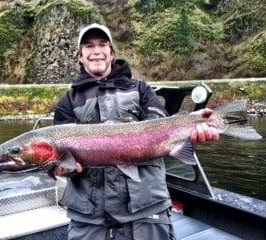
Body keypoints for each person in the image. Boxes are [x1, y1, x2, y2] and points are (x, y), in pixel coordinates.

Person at [52, 23, 219, 240]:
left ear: (111, 54)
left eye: (103, 45)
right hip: (90, 217)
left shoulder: (141, 89)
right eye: (88, 46)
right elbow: (59, 163)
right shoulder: (67, 102)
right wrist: (62, 169)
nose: (96, 51)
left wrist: (195, 126)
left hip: (146, 210)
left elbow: (162, 126)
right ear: (80, 56)